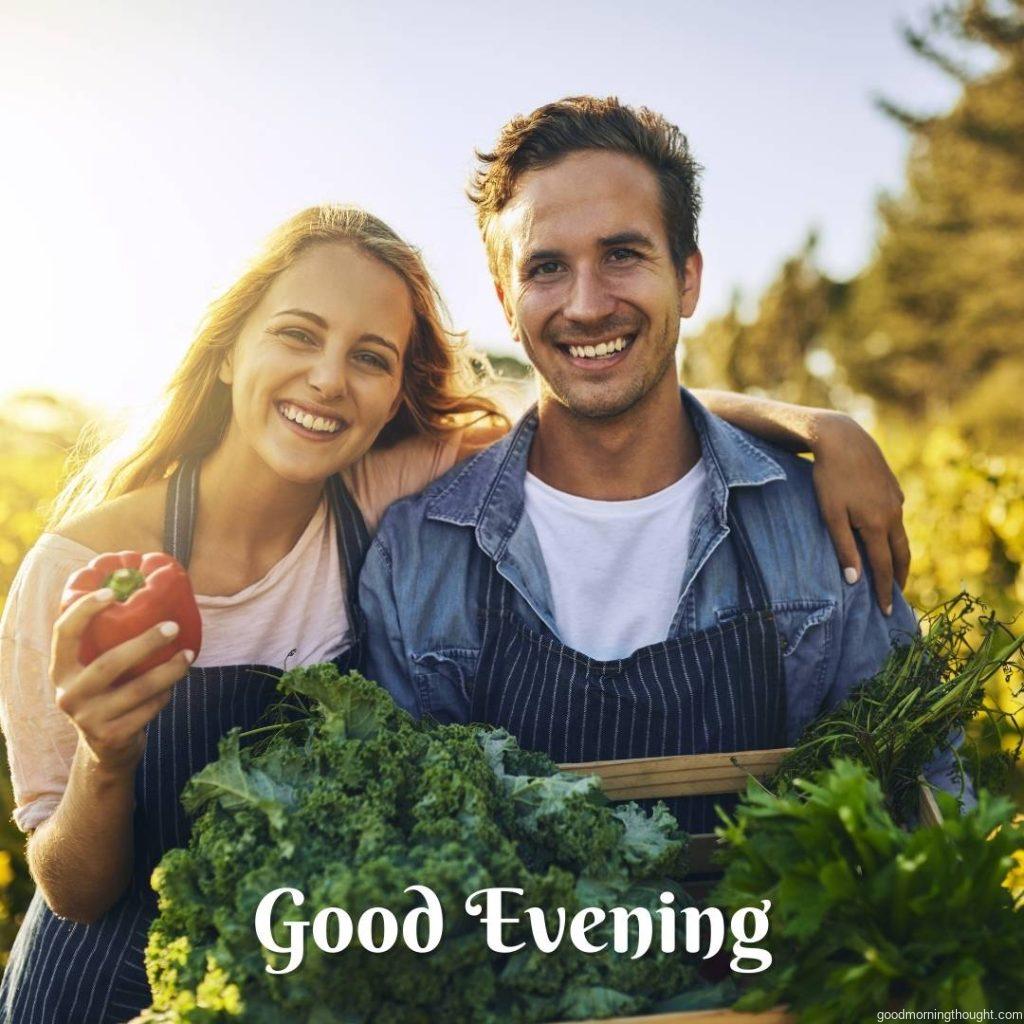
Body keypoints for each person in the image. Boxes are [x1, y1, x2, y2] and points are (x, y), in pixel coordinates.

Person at [0, 202, 905, 1023]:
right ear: (232, 347)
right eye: (297, 335)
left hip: (288, 975)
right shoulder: (78, 574)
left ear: (396, 390)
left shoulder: (376, 493)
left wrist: (822, 428)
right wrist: (107, 760)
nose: (326, 380)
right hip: (104, 978)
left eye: (369, 358)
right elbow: (73, 890)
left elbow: (598, 398)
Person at [359, 96, 968, 833]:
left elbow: (927, 795)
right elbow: (395, 845)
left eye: (622, 254)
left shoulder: (815, 523)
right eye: (546, 267)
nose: (586, 305)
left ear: (687, 278)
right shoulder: (420, 554)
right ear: (505, 300)